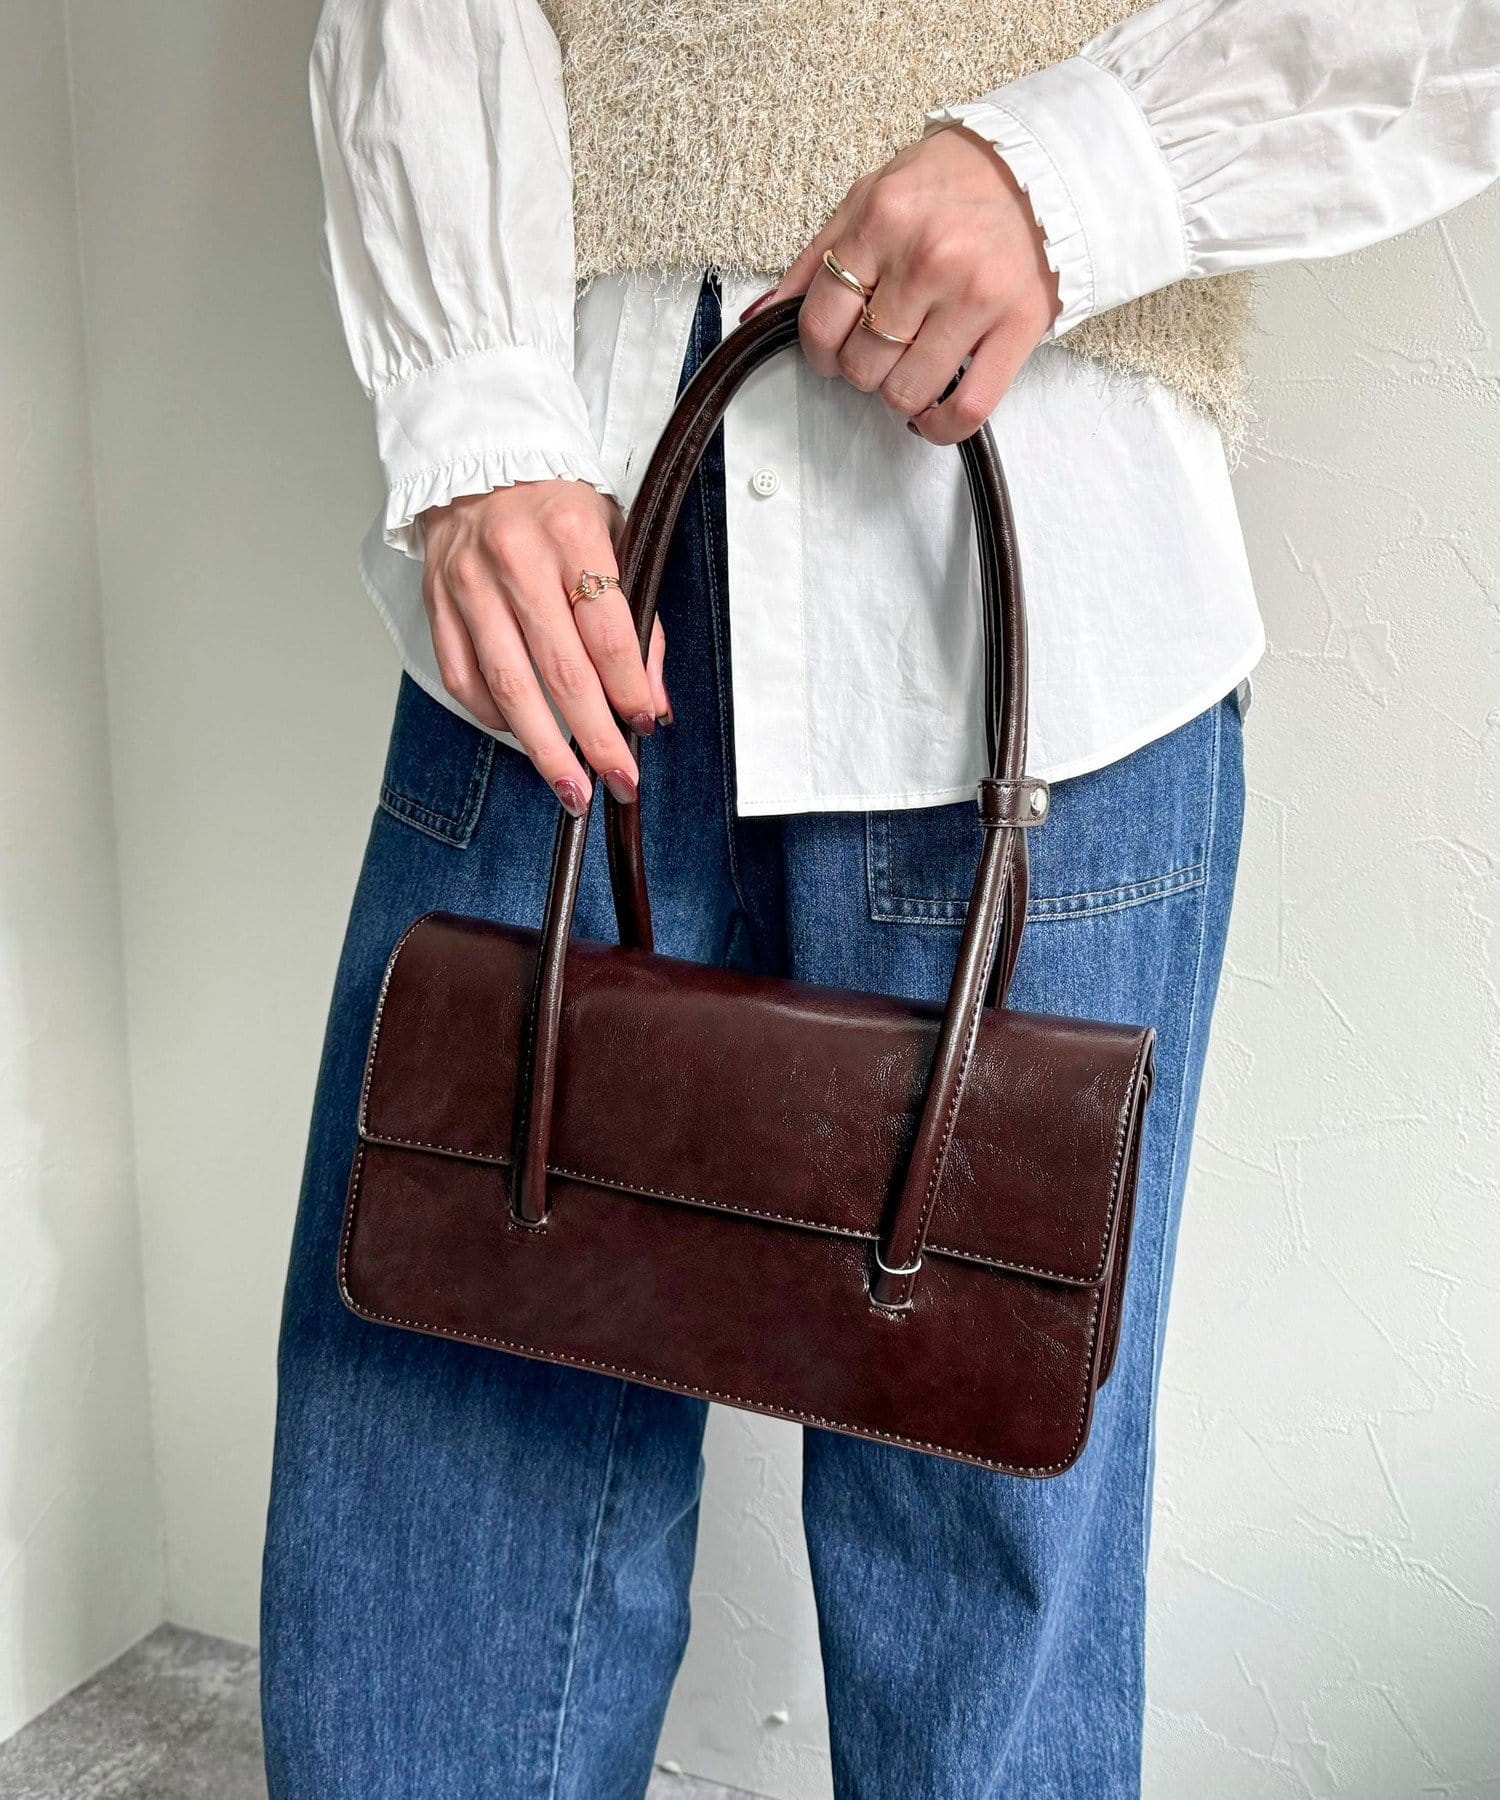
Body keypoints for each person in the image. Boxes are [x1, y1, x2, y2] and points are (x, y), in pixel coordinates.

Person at [262, 0, 1500, 1791]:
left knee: (986, 1577)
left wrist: (1089, 167)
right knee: (434, 1494)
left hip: (1045, 628)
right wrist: (465, 407)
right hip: (568, 569)